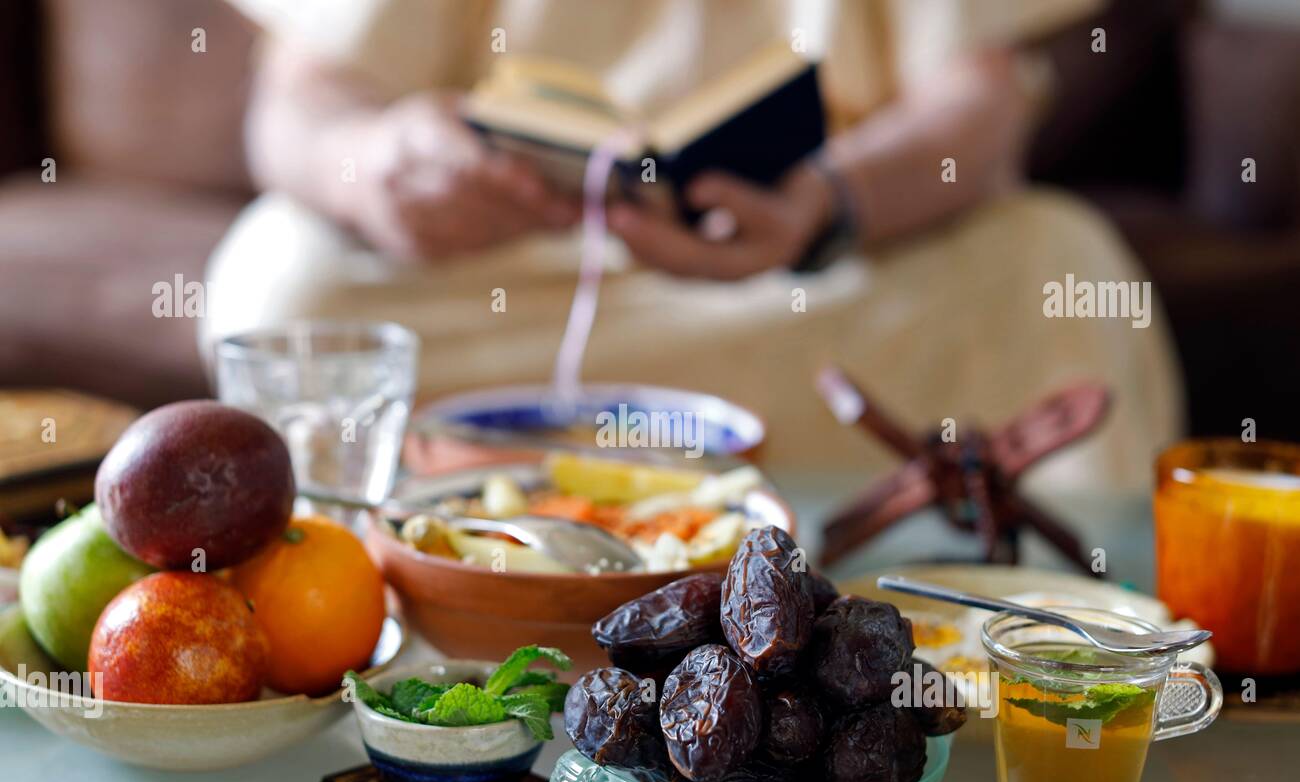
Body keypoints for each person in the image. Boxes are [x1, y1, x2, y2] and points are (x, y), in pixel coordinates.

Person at [204, 0, 1182, 493]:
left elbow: (982, 102)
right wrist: (369, 164)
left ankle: (1056, 662)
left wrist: (831, 202)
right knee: (283, 284)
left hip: (832, 271)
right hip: (511, 272)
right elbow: (300, 100)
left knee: (1060, 262)